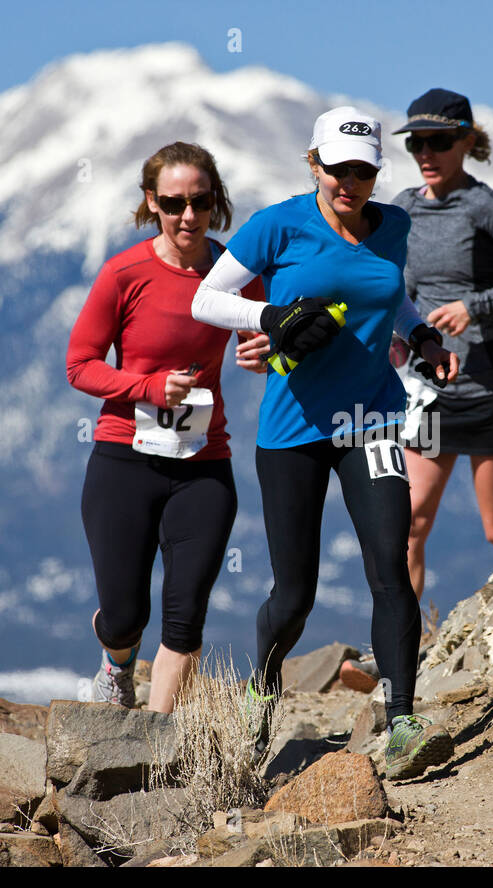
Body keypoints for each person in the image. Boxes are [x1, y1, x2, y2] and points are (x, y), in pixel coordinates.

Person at [191, 106, 461, 780]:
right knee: (294, 596)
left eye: (363, 171)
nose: (350, 182)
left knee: (390, 567)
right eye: (337, 168)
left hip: (370, 419)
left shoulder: (392, 226)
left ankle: (401, 722)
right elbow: (206, 299)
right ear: (313, 164)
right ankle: (264, 683)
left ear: (376, 174)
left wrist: (421, 335)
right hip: (293, 433)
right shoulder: (278, 225)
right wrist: (272, 315)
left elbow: (388, 296)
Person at [65, 142, 268, 713]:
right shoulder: (123, 273)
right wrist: (149, 388)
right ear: (151, 201)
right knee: (127, 615)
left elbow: (267, 342)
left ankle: (157, 752)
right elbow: (79, 365)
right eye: (174, 202)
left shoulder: (232, 274)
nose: (188, 216)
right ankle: (115, 662)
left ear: (215, 202)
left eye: (200, 201)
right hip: (123, 461)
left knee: (184, 617)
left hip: (203, 464)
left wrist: (266, 352)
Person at [390, 89, 493, 599]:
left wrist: (475, 306)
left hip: (490, 388)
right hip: (428, 393)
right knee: (409, 525)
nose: (425, 154)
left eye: (438, 141)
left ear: (465, 140)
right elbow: (394, 287)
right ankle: (401, 656)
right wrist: (400, 338)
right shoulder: (401, 209)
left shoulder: (483, 205)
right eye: (415, 143)